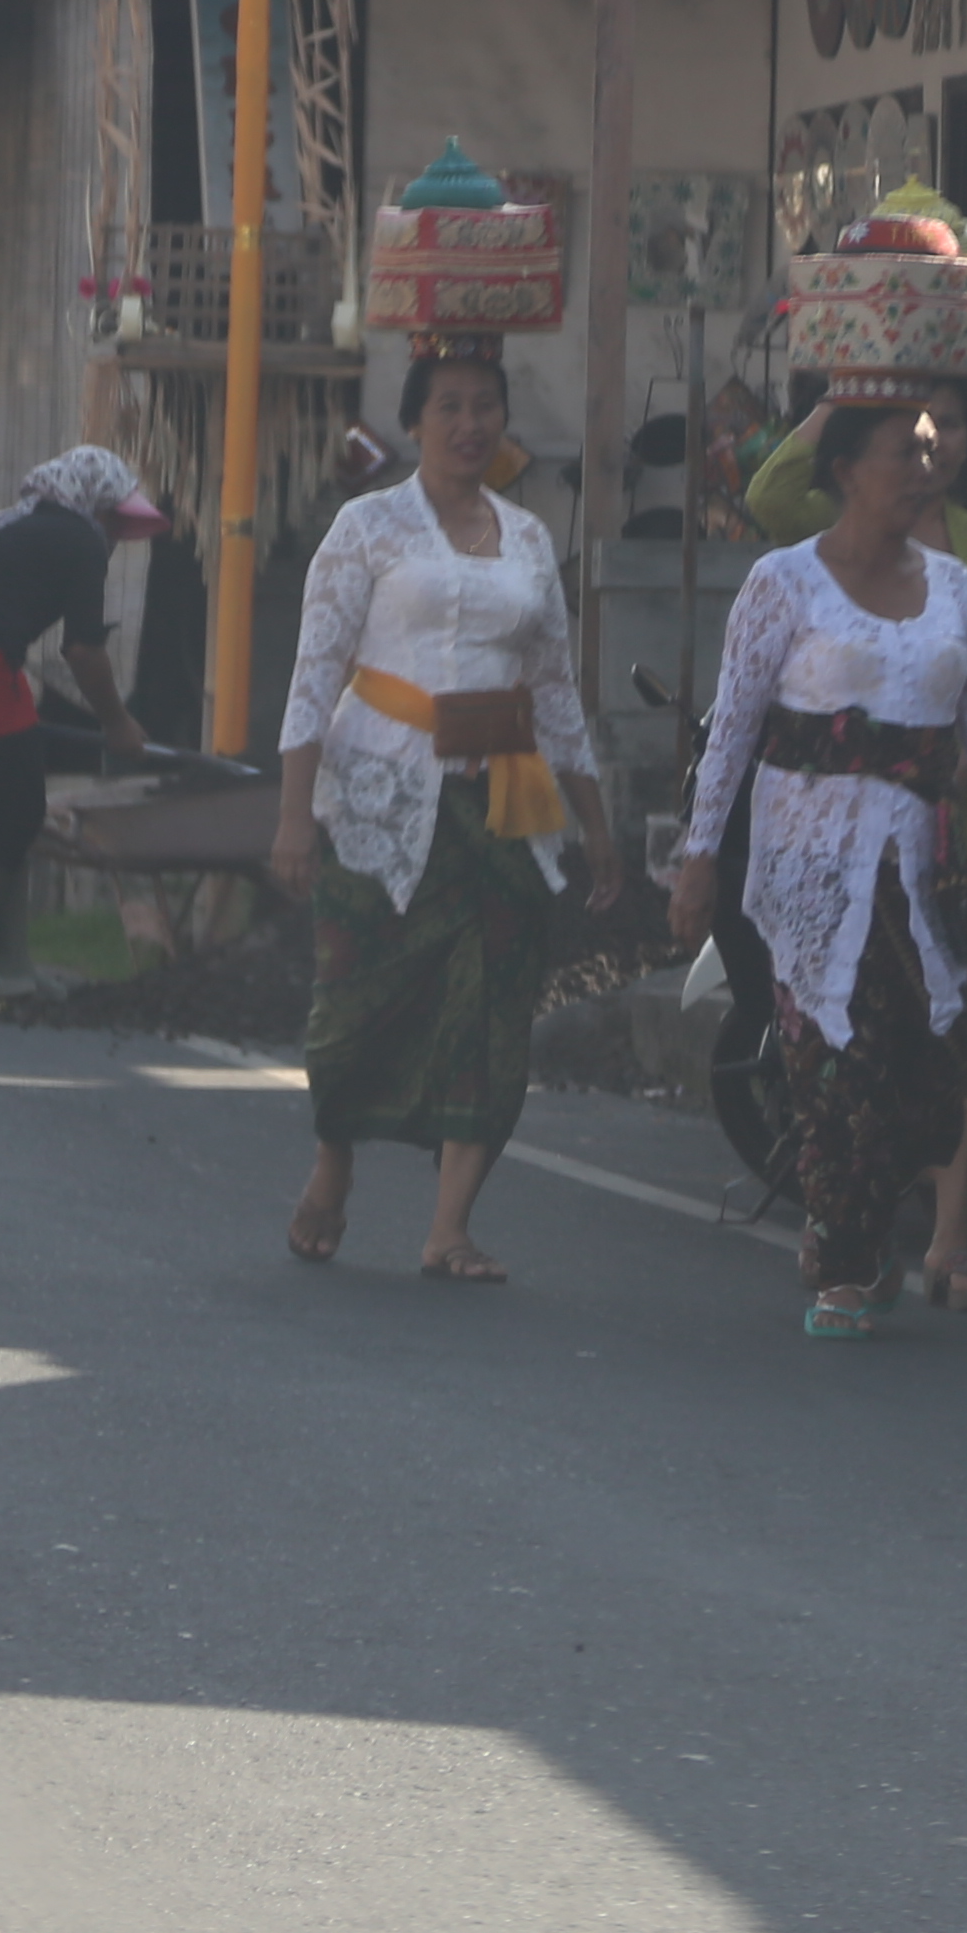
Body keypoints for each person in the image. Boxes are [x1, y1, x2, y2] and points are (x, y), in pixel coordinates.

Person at [672, 393, 967, 1337]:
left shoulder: (958, 589)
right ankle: (846, 1266)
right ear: (846, 469)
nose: (926, 468)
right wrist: (697, 857)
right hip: (806, 864)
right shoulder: (783, 583)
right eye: (904, 451)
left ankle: (876, 1233)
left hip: (923, 870)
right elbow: (731, 731)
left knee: (924, 1067)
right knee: (829, 1066)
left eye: (934, 450)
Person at [272, 341, 620, 1279]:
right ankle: (333, 1163)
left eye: (485, 407)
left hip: (499, 802)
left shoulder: (529, 538)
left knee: (495, 1006)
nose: (470, 424)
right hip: (377, 798)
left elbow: (553, 691)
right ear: (414, 422)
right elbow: (313, 677)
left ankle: (449, 1227)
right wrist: (294, 816)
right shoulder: (368, 528)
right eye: (450, 407)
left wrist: (594, 822)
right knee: (353, 1004)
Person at [0, 443, 163, 997]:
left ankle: (11, 968)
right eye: (115, 521)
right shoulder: (81, 540)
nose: (115, 536)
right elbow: (84, 652)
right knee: (18, 811)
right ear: (95, 507)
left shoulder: (7, 523)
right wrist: (117, 724)